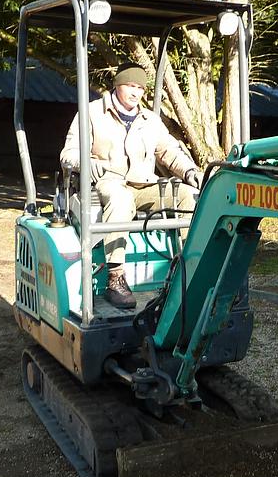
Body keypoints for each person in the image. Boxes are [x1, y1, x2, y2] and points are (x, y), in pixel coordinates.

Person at [60, 62, 203, 310]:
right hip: (108, 182)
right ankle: (115, 277)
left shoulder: (150, 119)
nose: (136, 92)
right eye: (130, 85)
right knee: (121, 200)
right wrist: (85, 162)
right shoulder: (92, 113)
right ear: (117, 84)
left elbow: (169, 150)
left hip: (144, 184)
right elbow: (68, 153)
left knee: (187, 195)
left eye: (140, 87)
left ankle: (187, 269)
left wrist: (190, 170)